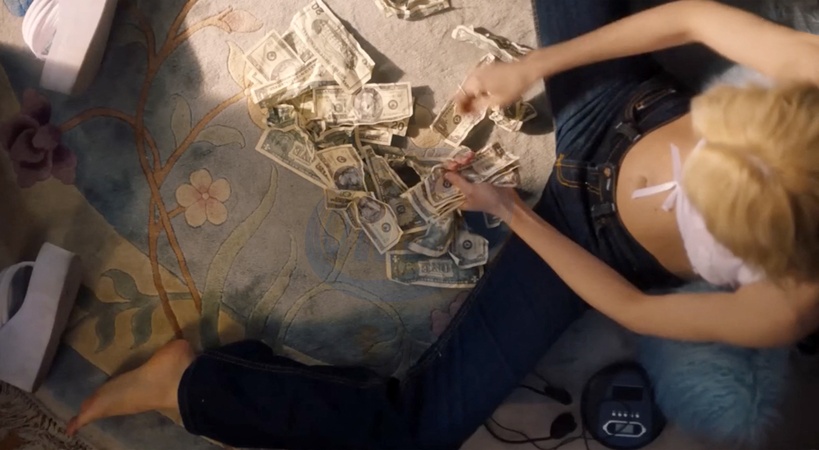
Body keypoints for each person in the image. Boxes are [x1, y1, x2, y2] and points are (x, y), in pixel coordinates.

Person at [66, 1, 819, 448]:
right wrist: (537, 65)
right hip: (618, 112)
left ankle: (189, 386)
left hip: (591, 243)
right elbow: (689, 17)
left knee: (419, 432)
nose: (672, 182)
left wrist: (513, 211)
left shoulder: (789, 306)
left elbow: (634, 309)